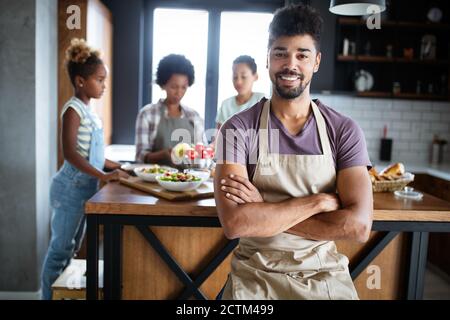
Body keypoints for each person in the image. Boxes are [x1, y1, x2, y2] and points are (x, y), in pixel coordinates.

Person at [214, 4, 373, 300]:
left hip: (324, 274)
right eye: (280, 53)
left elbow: (358, 227)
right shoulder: (237, 129)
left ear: (317, 62)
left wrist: (266, 209)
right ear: (267, 59)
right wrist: (318, 202)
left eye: (302, 54)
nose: (291, 64)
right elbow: (236, 224)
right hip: (255, 274)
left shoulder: (344, 130)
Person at [41, 38, 128, 300]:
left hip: (85, 190)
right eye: (99, 80)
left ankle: (60, 295)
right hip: (69, 189)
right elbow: (70, 153)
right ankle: (46, 296)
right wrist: (103, 176)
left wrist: (122, 168)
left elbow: (95, 155)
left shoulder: (91, 113)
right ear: (81, 81)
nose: (104, 85)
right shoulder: (73, 110)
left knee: (72, 248)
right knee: (59, 252)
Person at [135, 54, 206, 166]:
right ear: (163, 85)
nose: (179, 92)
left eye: (184, 87)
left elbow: (201, 154)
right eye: (174, 87)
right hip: (155, 180)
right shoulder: (147, 114)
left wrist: (201, 154)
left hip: (190, 180)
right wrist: (163, 154)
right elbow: (140, 156)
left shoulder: (194, 116)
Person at [215, 55, 265, 128]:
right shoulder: (226, 105)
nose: (239, 82)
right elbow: (218, 135)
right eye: (235, 77)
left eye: (244, 77)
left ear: (255, 76)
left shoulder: (262, 100)